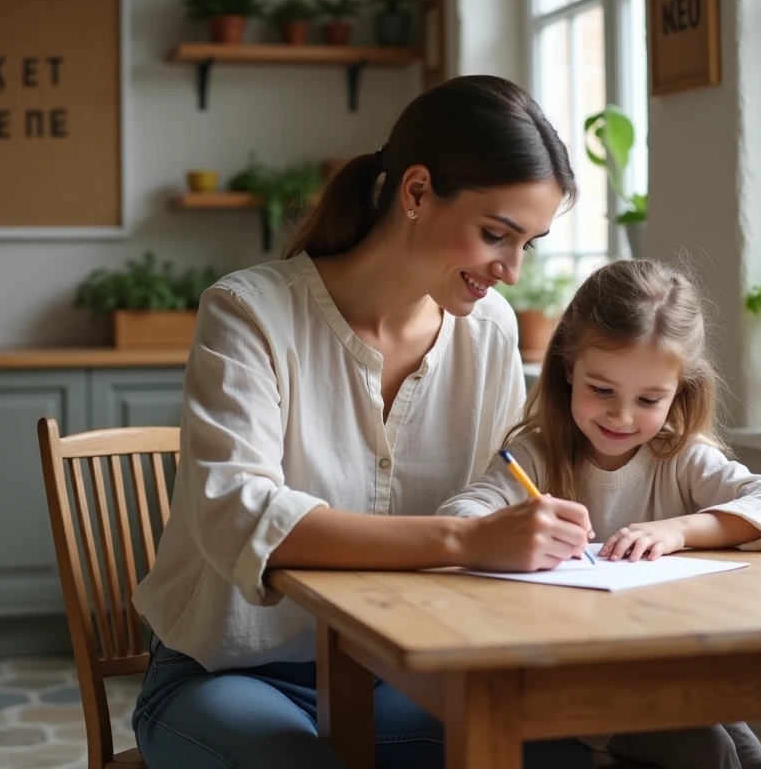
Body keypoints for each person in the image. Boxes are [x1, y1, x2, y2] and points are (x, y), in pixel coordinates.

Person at [129, 75, 599, 769]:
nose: (512, 270)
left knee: (558, 753)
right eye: (496, 234)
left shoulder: (491, 331)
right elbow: (236, 511)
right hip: (226, 676)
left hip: (392, 676)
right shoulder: (249, 312)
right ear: (414, 193)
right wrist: (469, 538)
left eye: (529, 242)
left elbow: (506, 483)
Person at [437, 258, 761, 769]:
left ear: (678, 392)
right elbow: (460, 515)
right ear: (569, 368)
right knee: (713, 751)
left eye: (649, 398)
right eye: (602, 390)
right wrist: (511, 529)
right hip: (575, 684)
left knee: (751, 757)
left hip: (671, 673)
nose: (622, 416)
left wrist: (679, 530)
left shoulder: (679, 455)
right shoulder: (535, 457)